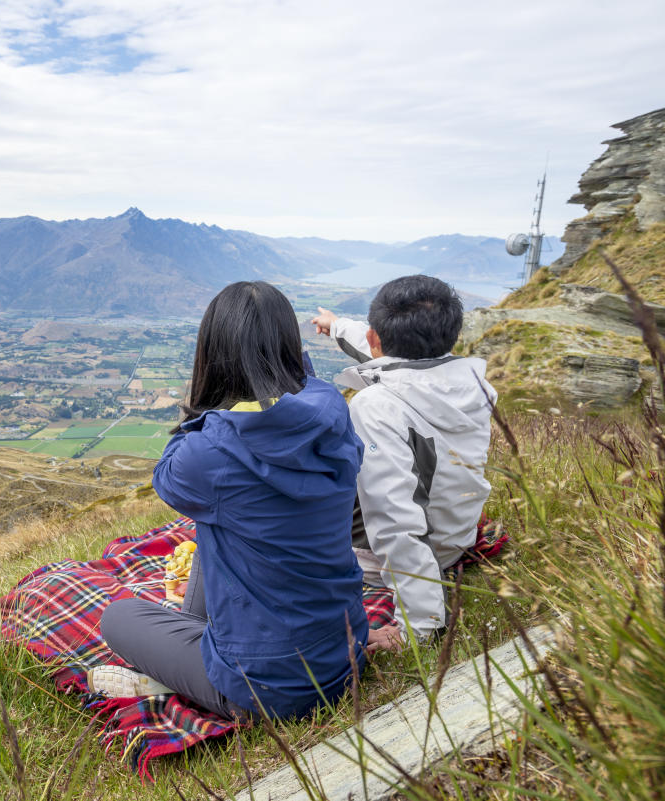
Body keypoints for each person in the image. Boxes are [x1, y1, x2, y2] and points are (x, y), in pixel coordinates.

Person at [88, 281, 386, 721]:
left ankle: (184, 680)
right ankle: (192, 653)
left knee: (119, 617)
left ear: (213, 353)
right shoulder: (330, 408)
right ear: (288, 343)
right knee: (222, 524)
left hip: (265, 687)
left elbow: (167, 476)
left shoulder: (210, 452)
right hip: (343, 656)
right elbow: (304, 384)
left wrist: (208, 402)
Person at [311, 275, 495, 641]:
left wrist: (422, 625)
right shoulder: (468, 382)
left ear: (375, 338)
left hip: (389, 558)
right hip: (455, 535)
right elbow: (392, 355)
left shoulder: (377, 407)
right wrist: (336, 327)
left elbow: (394, 517)